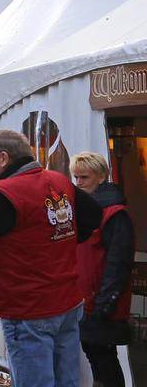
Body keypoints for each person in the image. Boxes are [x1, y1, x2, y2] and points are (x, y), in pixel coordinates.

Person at [0, 129, 100, 387]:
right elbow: (93, 215)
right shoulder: (60, 181)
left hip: (28, 307)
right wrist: (56, 244)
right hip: (66, 300)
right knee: (67, 380)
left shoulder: (6, 194)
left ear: (3, 158)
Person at [71, 151, 133, 387]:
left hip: (102, 300)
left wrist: (104, 303)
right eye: (76, 178)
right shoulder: (84, 210)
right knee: (96, 356)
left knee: (104, 358)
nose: (79, 183)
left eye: (84, 177)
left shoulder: (115, 213)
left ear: (101, 177)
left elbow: (119, 262)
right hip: (85, 298)